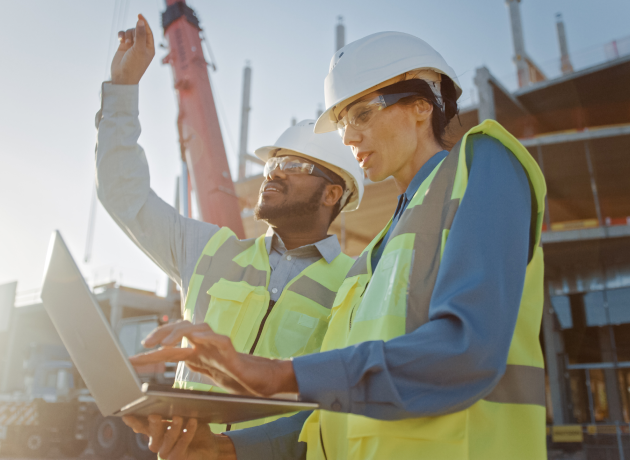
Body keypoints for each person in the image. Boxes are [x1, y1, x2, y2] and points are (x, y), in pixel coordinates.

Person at [129, 31, 548, 460]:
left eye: (362, 114)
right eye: (345, 123)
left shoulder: (482, 165)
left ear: (423, 105)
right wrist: (225, 449)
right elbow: (334, 417)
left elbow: (466, 353)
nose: (349, 137)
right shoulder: (368, 264)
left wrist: (277, 374)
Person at [96, 14, 365, 455]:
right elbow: (123, 194)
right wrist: (122, 91)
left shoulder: (356, 285)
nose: (272, 176)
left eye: (291, 167)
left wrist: (234, 449)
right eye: (271, 166)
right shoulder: (207, 251)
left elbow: (340, 407)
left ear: (331, 193)